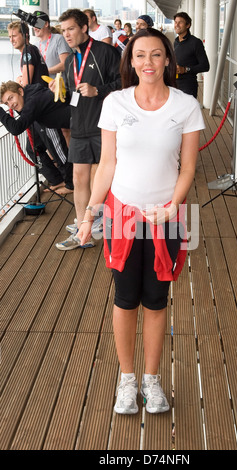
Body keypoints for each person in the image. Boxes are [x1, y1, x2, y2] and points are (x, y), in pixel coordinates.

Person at [78, 28, 205, 414]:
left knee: (156, 299)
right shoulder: (116, 103)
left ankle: (151, 380)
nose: (147, 62)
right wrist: (89, 214)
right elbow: (107, 166)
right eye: (139, 56)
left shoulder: (185, 106)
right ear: (130, 62)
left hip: (165, 216)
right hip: (121, 214)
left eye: (155, 55)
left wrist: (173, 205)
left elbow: (188, 168)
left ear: (168, 60)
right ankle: (127, 379)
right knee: (125, 297)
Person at [54, 8, 121, 250]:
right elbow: (74, 93)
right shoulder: (71, 60)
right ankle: (83, 230)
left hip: (104, 126)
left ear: (84, 27)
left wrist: (98, 90)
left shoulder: (106, 52)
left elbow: (124, 82)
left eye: (71, 29)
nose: (67, 35)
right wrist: (59, 89)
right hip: (79, 126)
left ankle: (108, 227)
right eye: (63, 31)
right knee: (78, 178)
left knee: (104, 179)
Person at [8, 21, 72, 193]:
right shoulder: (32, 50)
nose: (11, 39)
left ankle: (69, 181)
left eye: (15, 35)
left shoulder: (28, 51)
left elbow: (26, 82)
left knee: (54, 145)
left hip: (40, 109)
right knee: (34, 147)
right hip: (38, 107)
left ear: (24, 35)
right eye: (9, 37)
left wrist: (18, 84)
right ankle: (58, 178)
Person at [0, 81, 73, 193]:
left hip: (80, 121)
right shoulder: (29, 95)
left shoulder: (33, 101)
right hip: (51, 121)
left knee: (58, 151)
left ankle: (71, 184)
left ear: (20, 91)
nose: (10, 104)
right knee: (34, 148)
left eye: (11, 98)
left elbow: (16, 128)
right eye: (6, 103)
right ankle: (58, 180)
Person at [173, 12, 210, 98]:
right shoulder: (176, 42)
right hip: (175, 84)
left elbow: (205, 66)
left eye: (180, 22)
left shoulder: (196, 42)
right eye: (175, 22)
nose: (177, 25)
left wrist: (186, 69)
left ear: (188, 25)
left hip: (188, 86)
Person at [33, 11, 71, 78]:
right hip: (42, 86)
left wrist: (45, 71)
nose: (35, 28)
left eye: (37, 24)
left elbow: (65, 64)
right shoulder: (35, 46)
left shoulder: (58, 39)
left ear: (46, 24)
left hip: (58, 86)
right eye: (33, 25)